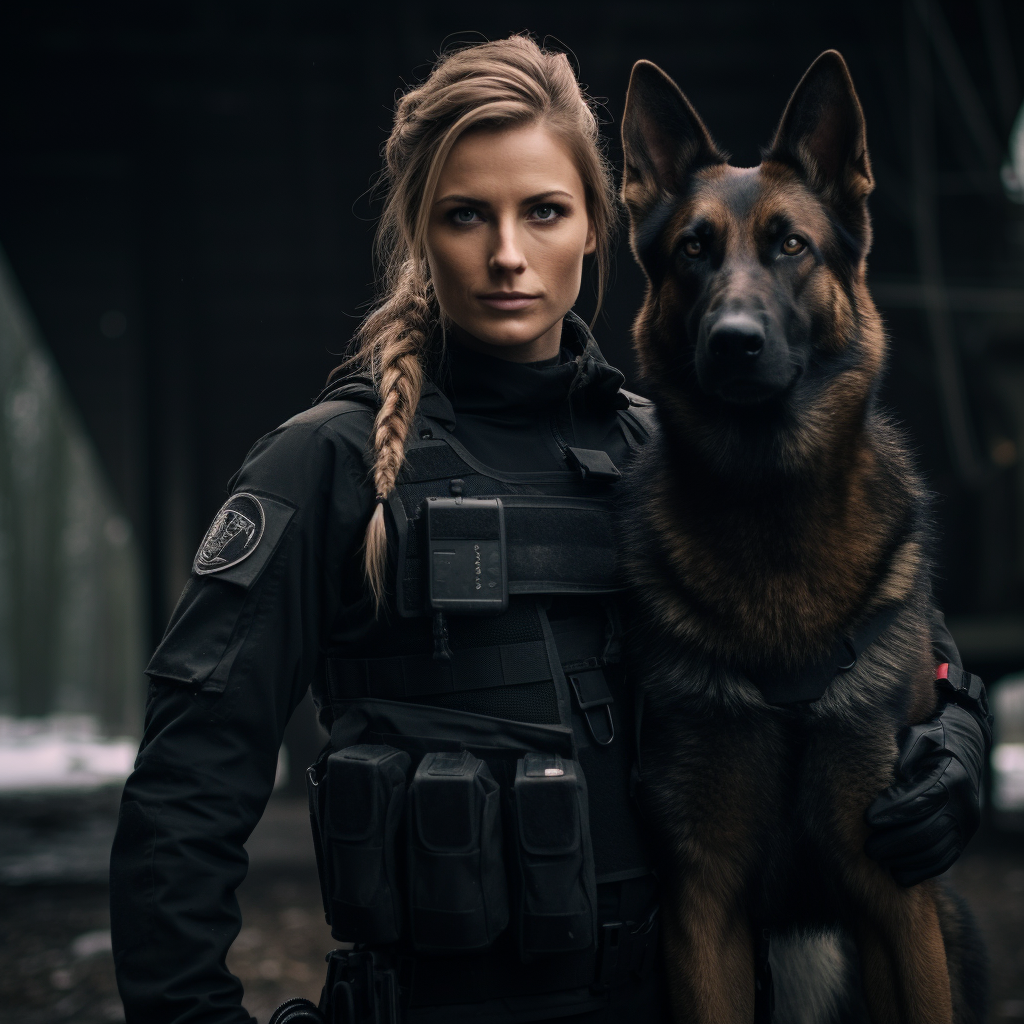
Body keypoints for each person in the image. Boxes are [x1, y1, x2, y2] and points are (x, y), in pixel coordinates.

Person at [109, 34, 991, 1024]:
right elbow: (187, 792)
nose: (506, 255)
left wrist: (954, 738)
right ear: (416, 233)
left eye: (542, 211)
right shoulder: (329, 465)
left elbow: (897, 628)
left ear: (593, 230)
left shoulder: (670, 452)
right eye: (463, 216)